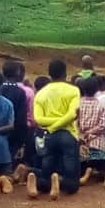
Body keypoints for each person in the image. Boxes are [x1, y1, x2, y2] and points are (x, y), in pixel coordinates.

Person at [30, 59, 81, 200]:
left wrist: (51, 127)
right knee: (72, 179)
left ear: (49, 74)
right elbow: (72, 115)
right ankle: (60, 181)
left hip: (49, 136)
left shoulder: (41, 93)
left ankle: (38, 181)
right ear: (65, 73)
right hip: (68, 134)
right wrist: (58, 124)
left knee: (46, 170)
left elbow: (38, 119)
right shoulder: (73, 90)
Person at [77, 76, 105, 185]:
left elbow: (74, 121)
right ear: (97, 89)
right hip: (97, 143)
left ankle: (86, 172)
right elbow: (104, 124)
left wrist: (83, 134)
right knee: (103, 169)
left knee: (80, 166)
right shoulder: (101, 104)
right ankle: (97, 172)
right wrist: (91, 133)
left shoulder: (78, 104)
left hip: (82, 142)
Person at [0, 61, 30, 170]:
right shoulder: (20, 92)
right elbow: (21, 119)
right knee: (10, 166)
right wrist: (22, 141)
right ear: (18, 73)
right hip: (13, 135)